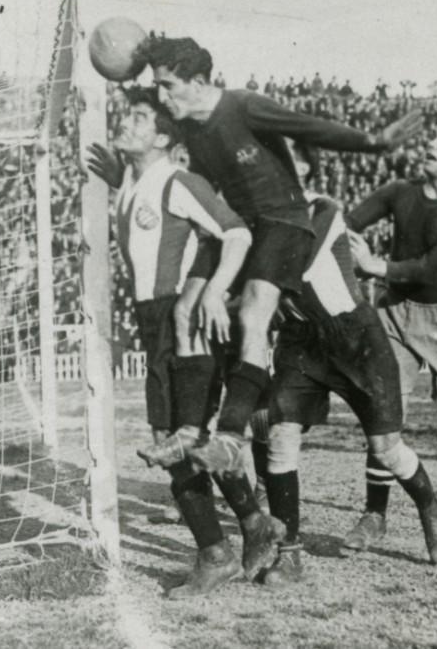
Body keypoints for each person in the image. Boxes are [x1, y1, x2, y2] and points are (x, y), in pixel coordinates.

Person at [128, 36, 423, 474]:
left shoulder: (243, 105)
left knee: (251, 315)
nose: (163, 95)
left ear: (200, 81)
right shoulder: (192, 127)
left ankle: (230, 436)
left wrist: (374, 142)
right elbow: (208, 187)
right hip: (241, 226)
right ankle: (190, 429)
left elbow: (306, 127)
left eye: (169, 85)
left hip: (284, 222)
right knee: (186, 310)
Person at [89, 87, 283, 597]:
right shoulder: (134, 182)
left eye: (137, 117)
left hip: (186, 320)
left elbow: (235, 231)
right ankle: (253, 524)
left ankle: (214, 554)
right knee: (174, 443)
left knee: (183, 443)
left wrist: (215, 290)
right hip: (152, 321)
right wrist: (118, 179)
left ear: (161, 136)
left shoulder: (178, 180)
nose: (125, 122)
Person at [259, 158, 437, 584]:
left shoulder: (323, 210)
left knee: (386, 449)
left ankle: (428, 505)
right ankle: (288, 554)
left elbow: (293, 266)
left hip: (355, 339)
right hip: (300, 341)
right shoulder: (255, 221)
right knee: (281, 436)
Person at [342, 111, 437, 552]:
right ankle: (375, 514)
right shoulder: (399, 191)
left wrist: (376, 266)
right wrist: (335, 230)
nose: (431, 144)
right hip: (393, 313)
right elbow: (349, 223)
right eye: (433, 137)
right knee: (385, 414)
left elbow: (431, 271)